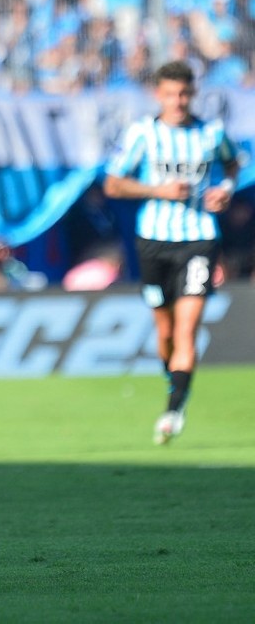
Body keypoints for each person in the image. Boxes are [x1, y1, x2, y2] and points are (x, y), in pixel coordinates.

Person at [103, 60, 241, 445]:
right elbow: (113, 185)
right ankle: (175, 382)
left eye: (183, 94)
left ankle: (173, 409)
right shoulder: (143, 134)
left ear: (192, 94)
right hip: (153, 240)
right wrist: (156, 191)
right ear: (158, 95)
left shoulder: (211, 133)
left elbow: (233, 164)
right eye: (170, 94)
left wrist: (225, 189)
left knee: (186, 329)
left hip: (199, 239)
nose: (178, 102)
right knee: (163, 331)